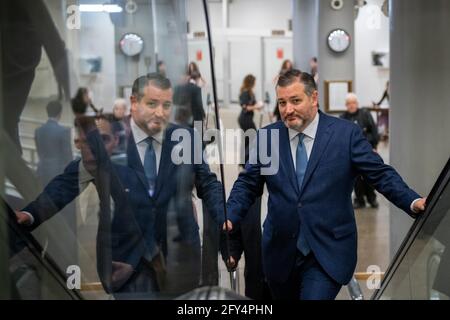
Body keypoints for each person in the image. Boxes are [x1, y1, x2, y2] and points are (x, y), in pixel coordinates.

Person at [16, 73, 225, 297]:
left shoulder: (184, 138)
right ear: (134, 103)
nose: (160, 112)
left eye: (166, 105)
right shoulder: (110, 139)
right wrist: (31, 214)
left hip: (179, 261)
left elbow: (208, 183)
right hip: (128, 263)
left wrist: (226, 215)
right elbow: (68, 183)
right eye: (152, 104)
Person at [223, 69, 426, 300]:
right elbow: (248, 184)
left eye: (295, 100)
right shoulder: (268, 137)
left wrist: (412, 200)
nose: (288, 110)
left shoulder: (345, 135)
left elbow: (380, 174)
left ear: (314, 98)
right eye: (282, 102)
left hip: (327, 252)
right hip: (280, 253)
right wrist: (230, 214)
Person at [340, 93, 380, 209]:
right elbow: (340, 136)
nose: (351, 105)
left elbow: (374, 130)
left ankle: (372, 199)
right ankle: (359, 200)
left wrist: (374, 146)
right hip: (351, 153)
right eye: (348, 103)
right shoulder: (343, 118)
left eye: (353, 103)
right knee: (356, 178)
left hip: (367, 150)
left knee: (369, 175)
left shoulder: (365, 114)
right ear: (346, 105)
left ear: (357, 104)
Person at [35, 100, 73, 186]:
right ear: (60, 113)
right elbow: (67, 156)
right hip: (57, 173)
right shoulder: (64, 131)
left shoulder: (38, 131)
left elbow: (39, 152)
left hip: (42, 172)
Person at [238, 74, 263, 166]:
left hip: (248, 118)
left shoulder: (251, 92)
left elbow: (253, 105)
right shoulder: (244, 93)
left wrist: (259, 106)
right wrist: (256, 106)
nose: (255, 84)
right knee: (253, 138)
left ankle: (244, 161)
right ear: (251, 83)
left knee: (247, 139)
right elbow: (245, 108)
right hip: (244, 119)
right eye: (254, 82)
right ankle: (245, 160)